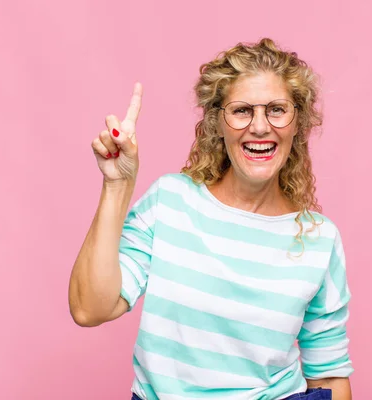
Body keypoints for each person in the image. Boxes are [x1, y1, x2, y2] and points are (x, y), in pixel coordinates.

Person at [69, 38, 353, 400]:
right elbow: (89, 308)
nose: (261, 127)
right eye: (242, 111)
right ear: (218, 122)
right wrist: (117, 184)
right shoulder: (170, 200)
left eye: (277, 109)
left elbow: (329, 377)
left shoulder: (319, 238)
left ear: (298, 122)